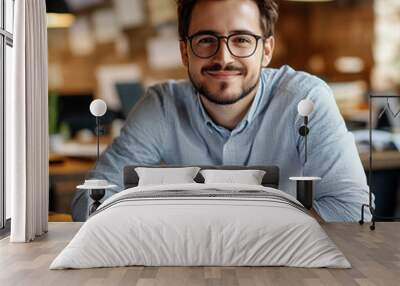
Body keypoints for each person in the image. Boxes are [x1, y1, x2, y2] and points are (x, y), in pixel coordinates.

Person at [72, 0, 371, 222]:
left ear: (266, 50)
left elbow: (352, 208)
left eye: (241, 39)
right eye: (206, 40)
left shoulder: (307, 100)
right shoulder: (160, 107)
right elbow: (89, 203)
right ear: (185, 51)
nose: (223, 57)